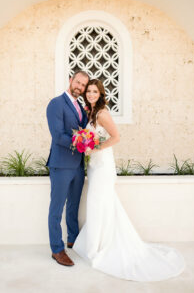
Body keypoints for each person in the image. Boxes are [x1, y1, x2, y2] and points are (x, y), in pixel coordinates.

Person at [73, 79, 186, 281]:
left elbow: (116, 137)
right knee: (102, 205)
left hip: (104, 166)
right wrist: (85, 144)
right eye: (88, 91)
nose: (90, 94)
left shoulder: (102, 113)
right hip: (94, 165)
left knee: (98, 203)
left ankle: (100, 247)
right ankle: (98, 242)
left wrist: (95, 148)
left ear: (100, 94)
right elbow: (90, 136)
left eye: (94, 92)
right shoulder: (89, 113)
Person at [46, 71, 89, 266]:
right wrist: (79, 143)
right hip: (61, 164)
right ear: (71, 80)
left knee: (73, 206)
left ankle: (74, 239)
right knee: (57, 209)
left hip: (78, 165)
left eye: (83, 85)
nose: (79, 86)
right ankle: (57, 249)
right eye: (77, 82)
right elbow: (58, 135)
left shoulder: (81, 107)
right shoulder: (56, 103)